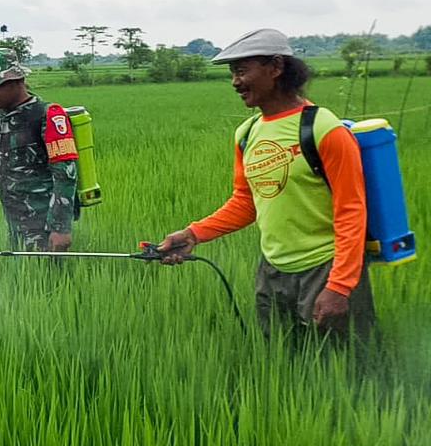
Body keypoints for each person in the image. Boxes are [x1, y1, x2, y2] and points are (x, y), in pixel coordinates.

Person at [155, 28, 373, 340]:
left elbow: (352, 211)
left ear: (275, 67)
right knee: (281, 365)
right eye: (232, 73)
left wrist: (339, 286)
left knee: (341, 371)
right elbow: (246, 201)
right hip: (272, 272)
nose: (235, 82)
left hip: (324, 269)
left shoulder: (324, 129)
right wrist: (193, 234)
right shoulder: (247, 133)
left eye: (242, 71)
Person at [0, 49, 78, 252]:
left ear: (16, 81)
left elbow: (65, 174)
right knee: (22, 274)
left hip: (44, 221)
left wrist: (60, 227)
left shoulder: (46, 115)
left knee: (47, 278)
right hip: (13, 216)